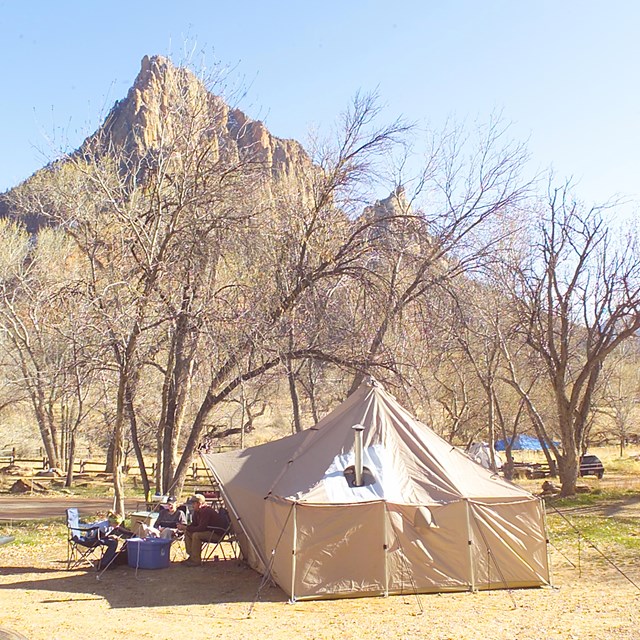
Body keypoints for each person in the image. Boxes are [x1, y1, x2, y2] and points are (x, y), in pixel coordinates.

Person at [177, 493, 230, 566]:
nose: (192, 505)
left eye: (193, 503)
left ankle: (196, 561)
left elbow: (201, 528)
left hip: (216, 534)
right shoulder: (197, 512)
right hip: (207, 531)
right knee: (188, 532)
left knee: (196, 535)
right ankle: (192, 556)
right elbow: (194, 525)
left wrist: (186, 527)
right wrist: (185, 527)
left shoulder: (206, 511)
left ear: (199, 504)